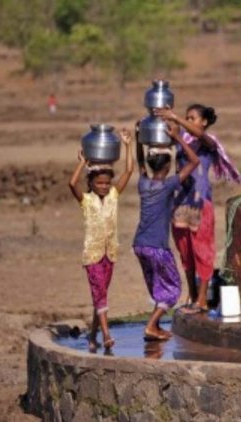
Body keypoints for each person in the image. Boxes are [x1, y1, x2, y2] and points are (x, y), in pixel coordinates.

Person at [154, 104, 241, 313]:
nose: (187, 121)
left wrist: (175, 119)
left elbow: (202, 137)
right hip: (181, 203)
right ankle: (193, 298)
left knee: (203, 253)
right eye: (187, 117)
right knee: (186, 254)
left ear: (203, 122)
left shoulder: (208, 142)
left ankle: (202, 300)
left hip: (200, 202)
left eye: (192, 118)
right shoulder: (182, 140)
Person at [132, 121, 200, 341]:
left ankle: (156, 327)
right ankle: (151, 326)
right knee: (172, 289)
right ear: (167, 165)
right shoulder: (168, 185)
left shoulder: (144, 183)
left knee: (158, 287)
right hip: (156, 247)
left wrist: (137, 137)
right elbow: (194, 161)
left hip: (139, 245)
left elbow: (140, 162)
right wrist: (177, 137)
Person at [68, 129, 134, 352]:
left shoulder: (114, 196)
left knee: (100, 297)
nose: (104, 187)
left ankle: (92, 337)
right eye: (100, 183)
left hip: (110, 253)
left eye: (107, 183)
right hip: (92, 255)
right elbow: (71, 183)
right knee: (100, 295)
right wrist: (82, 162)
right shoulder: (86, 201)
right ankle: (106, 335)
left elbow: (129, 170)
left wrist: (127, 145)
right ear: (92, 183)